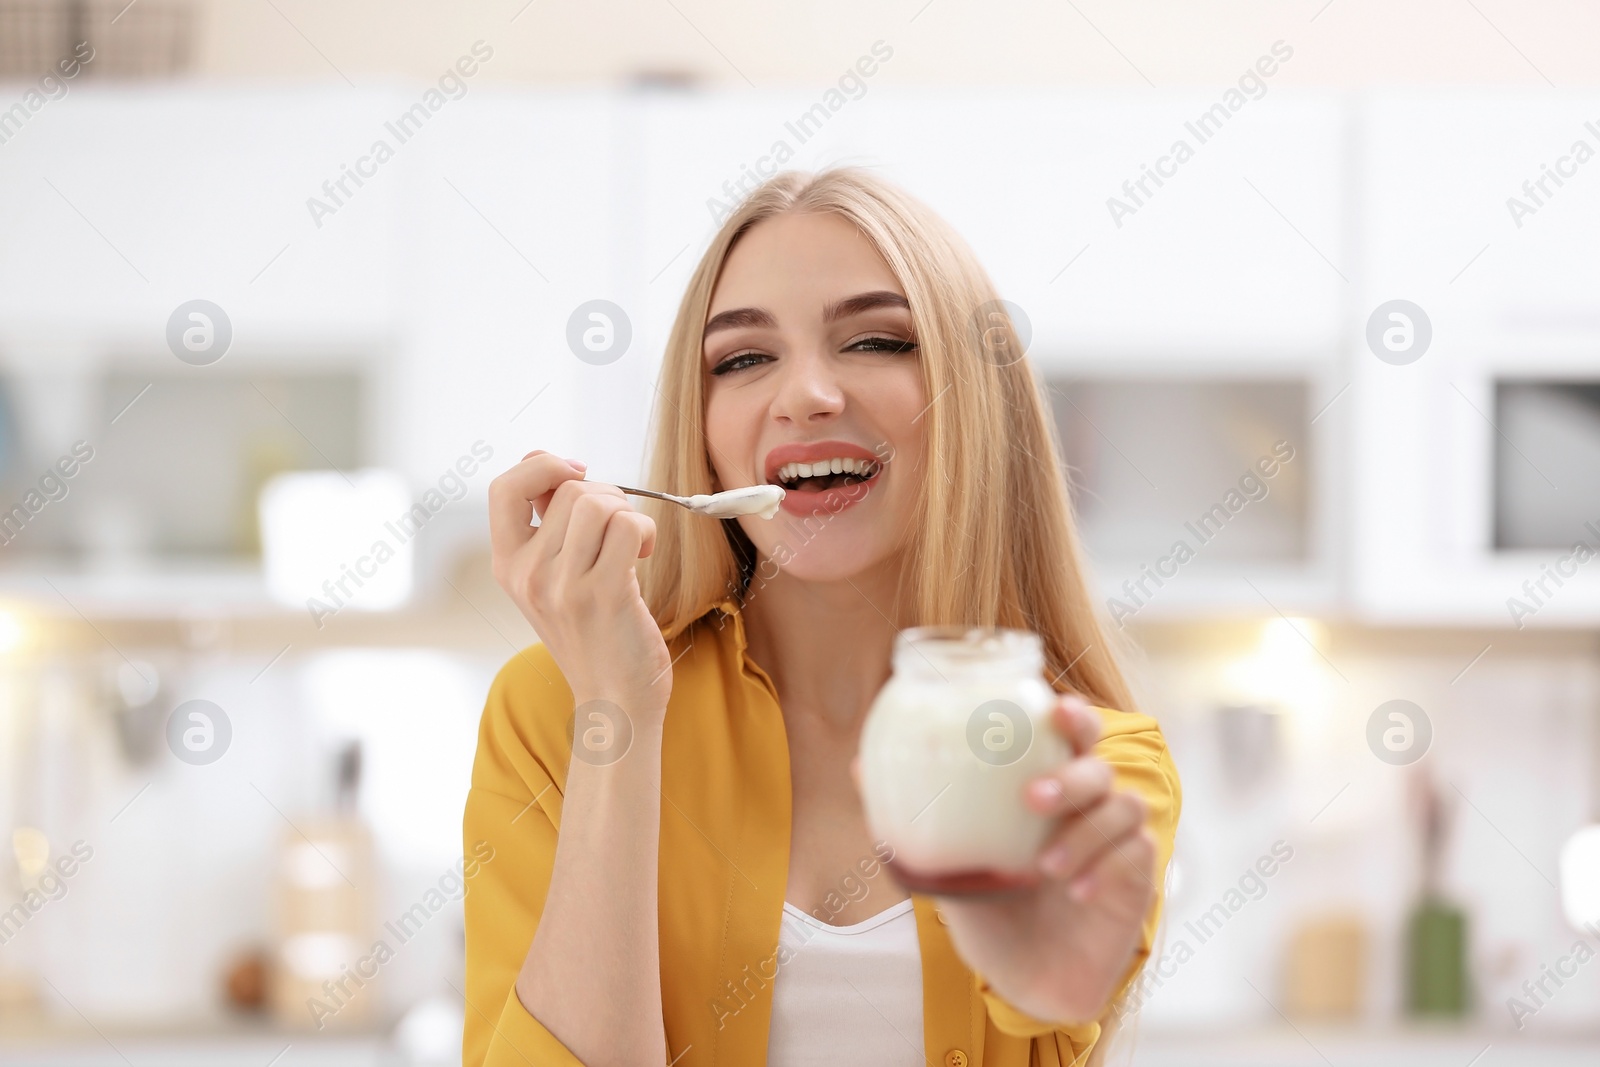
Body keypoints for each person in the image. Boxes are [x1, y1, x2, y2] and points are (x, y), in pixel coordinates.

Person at [463, 167, 1182, 1067]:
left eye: (877, 341)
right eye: (743, 359)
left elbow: (1054, 979)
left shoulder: (1094, 760)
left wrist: (1046, 964)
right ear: (706, 428)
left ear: (974, 401)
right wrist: (617, 708)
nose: (805, 394)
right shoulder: (558, 709)